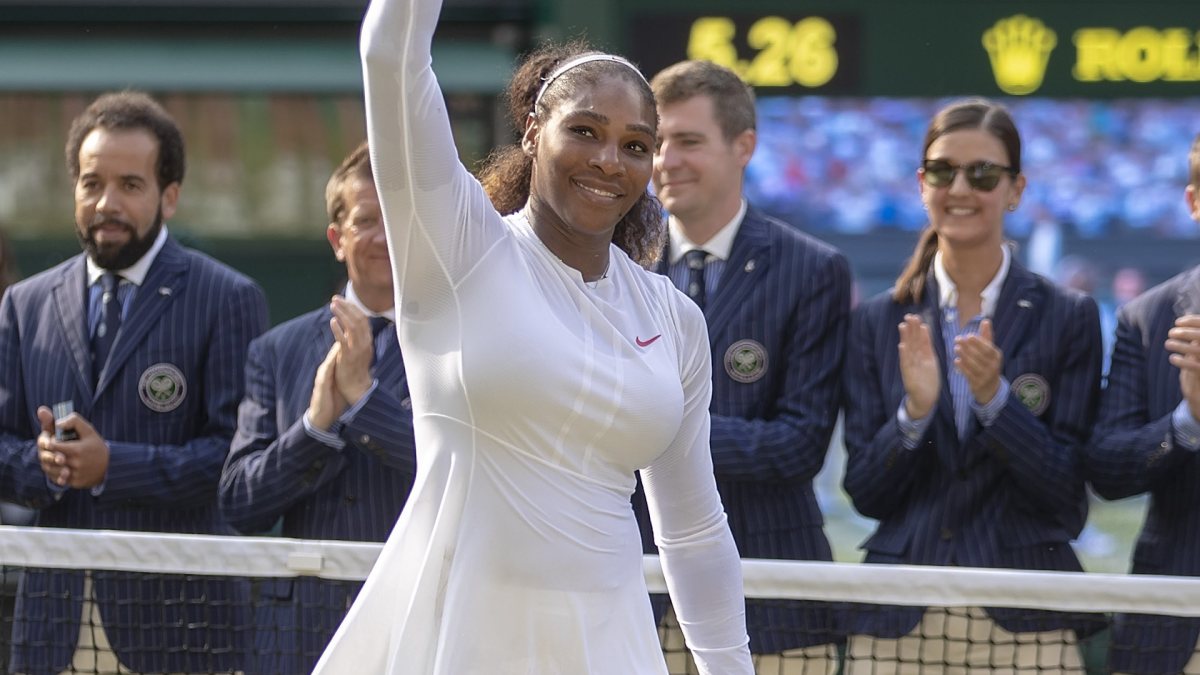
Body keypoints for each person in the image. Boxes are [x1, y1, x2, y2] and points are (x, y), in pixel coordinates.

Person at [312, 0, 756, 673]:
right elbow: (391, 56)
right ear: (530, 131)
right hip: (453, 644)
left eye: (636, 144)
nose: (610, 161)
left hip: (613, 649)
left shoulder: (674, 318)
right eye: (584, 130)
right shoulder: (459, 248)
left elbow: (693, 532)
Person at [0, 91, 269, 675]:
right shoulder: (23, 305)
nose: (106, 203)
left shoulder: (228, 298)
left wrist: (111, 465)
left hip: (182, 625)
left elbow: (234, 458)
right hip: (52, 623)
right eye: (91, 183)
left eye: (130, 185)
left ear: (169, 196)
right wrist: (44, 464)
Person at [841, 98, 1104, 675]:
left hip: (1027, 619)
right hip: (898, 620)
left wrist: (996, 402)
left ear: (1015, 189)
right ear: (922, 183)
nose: (960, 187)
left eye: (983, 173)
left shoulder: (1069, 315)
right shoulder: (876, 320)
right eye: (942, 171)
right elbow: (864, 491)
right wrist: (915, 413)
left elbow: (1069, 500)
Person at [634, 59, 850, 675]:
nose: (665, 160)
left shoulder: (812, 269)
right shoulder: (615, 267)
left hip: (771, 606)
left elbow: (799, 445)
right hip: (635, 601)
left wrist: (656, 432)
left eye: (689, 141)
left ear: (743, 146)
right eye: (656, 142)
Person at [218, 140, 416, 675]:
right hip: (300, 635)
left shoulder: (463, 342)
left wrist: (366, 402)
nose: (383, 236)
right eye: (366, 220)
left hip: (420, 624)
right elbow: (240, 502)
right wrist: (315, 427)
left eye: (398, 217)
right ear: (337, 238)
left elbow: (462, 470)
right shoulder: (277, 349)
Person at [1083, 133, 1200, 675]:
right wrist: (1188, 421)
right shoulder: (1148, 318)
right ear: (1193, 201)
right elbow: (1106, 468)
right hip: (1168, 616)